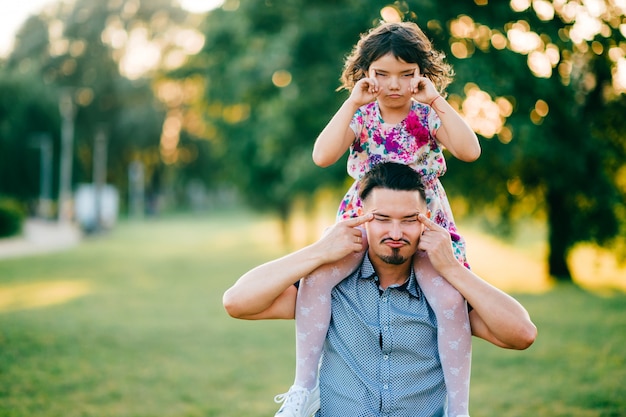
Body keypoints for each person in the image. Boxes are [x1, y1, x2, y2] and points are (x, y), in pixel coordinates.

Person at [223, 162, 537, 417]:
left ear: (426, 221)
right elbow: (237, 302)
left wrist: (454, 269)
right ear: (363, 219)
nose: (396, 233)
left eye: (409, 220)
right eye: (383, 219)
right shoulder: (330, 288)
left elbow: (521, 334)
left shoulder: (444, 295)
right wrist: (319, 250)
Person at [279, 21, 481, 417]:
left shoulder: (427, 114)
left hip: (421, 223)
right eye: (382, 74)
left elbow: (470, 151)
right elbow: (322, 156)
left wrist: (437, 101)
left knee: (449, 299)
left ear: (421, 75)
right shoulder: (363, 115)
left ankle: (458, 409)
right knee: (316, 278)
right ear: (366, 74)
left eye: (407, 75)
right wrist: (351, 103)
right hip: (366, 218)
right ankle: (304, 389)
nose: (394, 84)